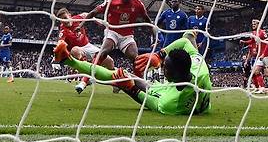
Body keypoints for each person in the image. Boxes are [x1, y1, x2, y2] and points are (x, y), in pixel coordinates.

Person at [53, 31, 211, 115]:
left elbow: (147, 101)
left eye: (165, 67)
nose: (162, 69)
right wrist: (160, 55)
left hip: (173, 96)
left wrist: (130, 88)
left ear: (174, 73)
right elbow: (185, 42)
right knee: (188, 35)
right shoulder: (199, 67)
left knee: (119, 77)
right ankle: (67, 59)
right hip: (185, 87)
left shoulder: (171, 103)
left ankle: (68, 61)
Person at [81, 0, 156, 92]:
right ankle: (85, 80)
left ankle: (139, 86)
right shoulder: (112, 1)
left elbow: (148, 21)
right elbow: (94, 12)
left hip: (127, 36)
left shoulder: (138, 4)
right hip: (112, 31)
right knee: (103, 52)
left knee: (136, 58)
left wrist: (155, 36)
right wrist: (80, 25)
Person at [56, 8, 115, 93]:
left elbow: (86, 14)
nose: (64, 21)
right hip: (76, 50)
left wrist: (98, 21)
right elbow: (60, 43)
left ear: (69, 15)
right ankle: (86, 77)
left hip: (88, 46)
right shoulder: (63, 31)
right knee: (75, 50)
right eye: (62, 20)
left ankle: (116, 83)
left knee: (110, 61)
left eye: (65, 18)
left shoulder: (77, 18)